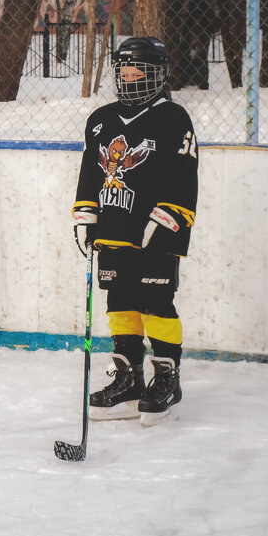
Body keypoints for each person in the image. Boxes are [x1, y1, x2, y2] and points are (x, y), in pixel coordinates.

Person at [72, 36, 198, 425]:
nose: (130, 77)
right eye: (124, 70)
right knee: (121, 299)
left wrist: (165, 220)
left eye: (138, 70)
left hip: (156, 231)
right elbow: (90, 173)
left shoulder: (173, 118)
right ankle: (129, 380)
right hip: (114, 227)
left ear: (157, 74)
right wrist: (85, 215)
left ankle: (167, 381)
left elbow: (184, 178)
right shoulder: (101, 120)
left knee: (156, 303)